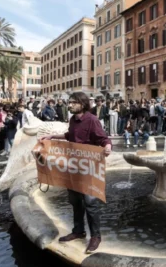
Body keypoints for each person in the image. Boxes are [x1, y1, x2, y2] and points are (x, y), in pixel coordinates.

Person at [39, 92, 112, 253]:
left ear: (82, 104)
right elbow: (70, 135)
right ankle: (78, 231)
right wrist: (52, 136)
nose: (69, 105)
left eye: (73, 102)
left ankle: (95, 237)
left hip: (88, 168)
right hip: (73, 167)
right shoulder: (72, 119)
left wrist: (107, 147)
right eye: (69, 102)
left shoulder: (92, 120)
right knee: (75, 201)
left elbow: (103, 139)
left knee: (91, 203)